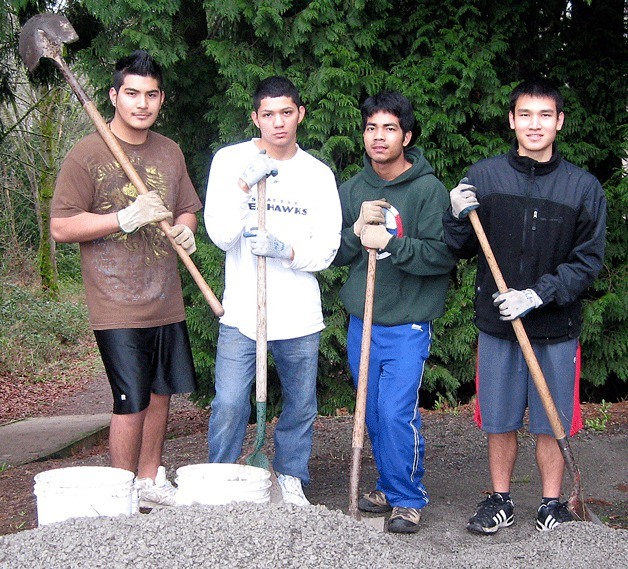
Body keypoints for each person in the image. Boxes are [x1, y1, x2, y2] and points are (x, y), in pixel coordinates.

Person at [442, 79, 606, 534]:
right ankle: (500, 500)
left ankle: (551, 504)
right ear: (512, 120)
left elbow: (588, 261)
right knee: (499, 417)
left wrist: (538, 294)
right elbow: (457, 247)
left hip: (554, 324)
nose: (535, 125)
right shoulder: (485, 177)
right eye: (526, 115)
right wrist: (454, 213)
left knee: (552, 421)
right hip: (498, 325)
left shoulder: (582, 187)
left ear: (559, 122)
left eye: (545, 116)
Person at [51, 50, 201, 508]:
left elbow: (188, 207)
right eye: (132, 93)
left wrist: (186, 231)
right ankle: (119, 492)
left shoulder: (170, 151)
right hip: (116, 302)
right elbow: (60, 226)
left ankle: (150, 482)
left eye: (151, 95)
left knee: (160, 394)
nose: (142, 103)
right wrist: (124, 217)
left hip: (164, 296)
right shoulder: (87, 153)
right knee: (130, 398)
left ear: (161, 99)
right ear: (114, 96)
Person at [204, 76, 341, 505]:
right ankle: (220, 479)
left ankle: (290, 476)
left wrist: (287, 250)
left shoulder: (317, 174)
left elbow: (328, 248)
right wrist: (243, 185)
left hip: (298, 312)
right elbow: (220, 235)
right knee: (228, 404)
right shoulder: (229, 161)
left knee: (300, 405)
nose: (278, 123)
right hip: (243, 312)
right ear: (255, 118)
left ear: (300, 114)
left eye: (286, 112)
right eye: (268, 114)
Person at [333, 92, 456, 533]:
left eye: (389, 128)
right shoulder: (353, 190)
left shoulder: (427, 190)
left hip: (407, 322)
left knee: (395, 412)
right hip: (362, 322)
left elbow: (443, 255)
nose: (378, 136)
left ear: (406, 135)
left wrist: (392, 243)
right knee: (370, 410)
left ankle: (407, 498)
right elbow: (337, 254)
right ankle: (388, 483)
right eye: (371, 128)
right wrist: (355, 229)